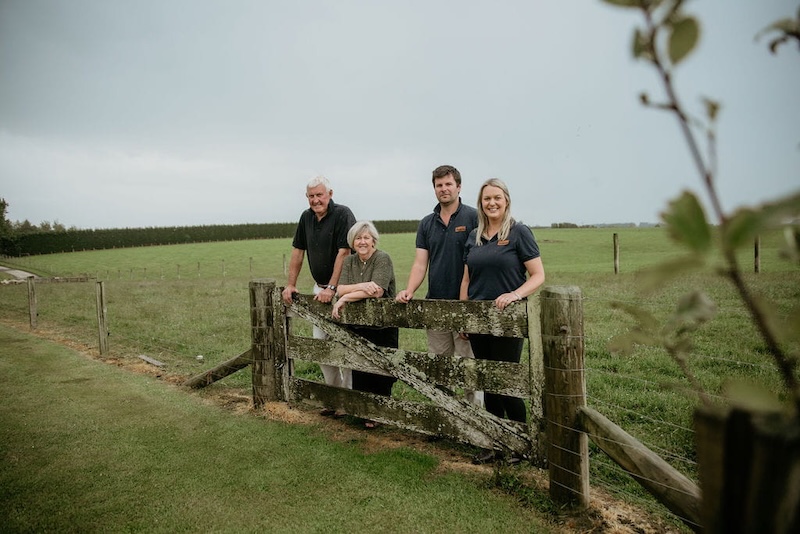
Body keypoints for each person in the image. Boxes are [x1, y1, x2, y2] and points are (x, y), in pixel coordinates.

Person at [460, 178, 545, 464]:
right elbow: (467, 278)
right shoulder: (473, 235)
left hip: (508, 320)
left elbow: (538, 276)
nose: (492, 203)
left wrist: (514, 294)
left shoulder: (519, 232)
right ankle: (495, 443)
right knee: (488, 381)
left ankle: (521, 445)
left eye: (497, 197)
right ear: (480, 203)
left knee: (508, 383)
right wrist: (464, 315)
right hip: (479, 320)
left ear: (506, 200)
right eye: (486, 199)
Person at [395, 165, 483, 407]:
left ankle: (476, 422)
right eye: (439, 185)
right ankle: (445, 416)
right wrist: (410, 290)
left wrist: (470, 308)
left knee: (468, 367)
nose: (443, 189)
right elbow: (420, 263)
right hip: (436, 305)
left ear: (459, 186)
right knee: (439, 367)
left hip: (467, 304)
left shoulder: (474, 217)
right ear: (434, 188)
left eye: (448, 184)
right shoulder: (426, 223)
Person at [282, 175, 356, 412]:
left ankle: (349, 401)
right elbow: (297, 252)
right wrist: (291, 284)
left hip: (345, 290)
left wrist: (332, 288)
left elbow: (344, 253)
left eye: (319, 195)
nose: (315, 200)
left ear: (330, 194)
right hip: (319, 289)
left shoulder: (343, 214)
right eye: (311, 196)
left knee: (349, 346)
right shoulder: (306, 218)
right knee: (322, 346)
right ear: (307, 197)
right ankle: (333, 397)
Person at [332, 220, 398, 428]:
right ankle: (365, 410)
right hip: (358, 325)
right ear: (353, 241)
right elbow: (340, 288)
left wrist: (344, 299)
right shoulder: (350, 261)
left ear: (373, 240)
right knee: (360, 367)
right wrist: (359, 287)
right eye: (358, 238)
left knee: (381, 370)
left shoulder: (382, 258)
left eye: (366, 238)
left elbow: (377, 291)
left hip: (382, 325)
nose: (362, 242)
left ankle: (379, 413)